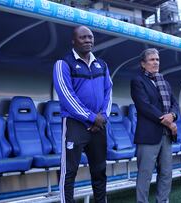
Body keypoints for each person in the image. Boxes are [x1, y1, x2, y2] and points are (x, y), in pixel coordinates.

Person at [53, 26, 112, 203]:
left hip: (99, 126)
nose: (88, 40)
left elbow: (108, 92)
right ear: (73, 41)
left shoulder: (102, 64)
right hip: (74, 124)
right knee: (69, 172)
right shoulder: (63, 64)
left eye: (90, 37)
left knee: (99, 171)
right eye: (83, 37)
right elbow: (67, 96)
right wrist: (92, 118)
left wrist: (102, 117)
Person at [130, 48, 178, 203]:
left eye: (157, 59)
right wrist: (167, 121)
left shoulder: (165, 82)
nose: (155, 62)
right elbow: (144, 106)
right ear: (143, 64)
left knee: (166, 173)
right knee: (145, 174)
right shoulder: (137, 81)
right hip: (148, 135)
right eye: (151, 60)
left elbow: (175, 104)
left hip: (166, 135)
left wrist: (173, 115)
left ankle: (163, 201)